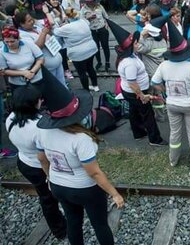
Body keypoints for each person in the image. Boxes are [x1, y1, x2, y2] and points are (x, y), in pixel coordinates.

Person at [36, 67, 124, 245]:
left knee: (73, 222)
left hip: (59, 185)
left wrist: (49, 179)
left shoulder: (43, 133)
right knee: (100, 224)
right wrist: (114, 193)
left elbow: (41, 159)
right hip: (85, 189)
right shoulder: (81, 138)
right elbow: (94, 173)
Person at [6, 86, 67, 239]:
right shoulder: (40, 126)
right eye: (39, 100)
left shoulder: (11, 118)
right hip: (40, 167)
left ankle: (58, 229)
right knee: (49, 198)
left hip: (24, 161)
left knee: (44, 197)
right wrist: (50, 177)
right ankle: (61, 229)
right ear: (33, 104)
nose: (41, 101)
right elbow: (43, 157)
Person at [152, 21, 190, 168]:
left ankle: (173, 159)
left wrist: (164, 91)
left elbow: (154, 82)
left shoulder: (163, 65)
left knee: (175, 133)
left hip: (172, 104)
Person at [109, 19, 167, 145]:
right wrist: (142, 95)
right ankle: (155, 139)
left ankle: (138, 133)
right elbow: (132, 83)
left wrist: (143, 33)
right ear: (131, 46)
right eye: (136, 43)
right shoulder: (130, 63)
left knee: (134, 111)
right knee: (148, 114)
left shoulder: (129, 55)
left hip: (130, 92)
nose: (138, 44)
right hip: (135, 91)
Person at [54, 7, 99, 91]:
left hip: (77, 53)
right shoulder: (83, 21)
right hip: (91, 48)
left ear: (67, 17)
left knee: (81, 72)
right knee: (90, 68)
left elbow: (55, 31)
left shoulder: (66, 28)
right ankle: (95, 86)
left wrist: (58, 20)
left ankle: (86, 90)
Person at [14, 11, 65, 86]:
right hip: (48, 68)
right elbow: (36, 48)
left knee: (63, 85)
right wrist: (43, 33)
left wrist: (49, 30)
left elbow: (50, 35)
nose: (32, 22)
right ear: (22, 24)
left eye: (32, 19)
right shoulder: (23, 35)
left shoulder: (36, 27)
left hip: (57, 61)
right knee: (55, 88)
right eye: (29, 21)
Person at [0, 25, 44, 91]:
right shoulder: (2, 52)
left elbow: (40, 59)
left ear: (18, 39)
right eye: (6, 42)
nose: (9, 44)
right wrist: (23, 73)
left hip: (36, 79)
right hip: (17, 85)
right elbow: (3, 71)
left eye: (12, 41)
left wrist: (32, 72)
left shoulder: (28, 43)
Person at [80, 0, 111, 72]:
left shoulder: (100, 6)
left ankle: (107, 62)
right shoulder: (83, 9)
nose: (90, 3)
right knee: (95, 47)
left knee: (105, 46)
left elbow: (106, 16)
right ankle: (99, 62)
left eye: (92, 1)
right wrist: (88, 18)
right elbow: (81, 21)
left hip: (102, 29)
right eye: (88, 2)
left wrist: (106, 23)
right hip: (92, 30)